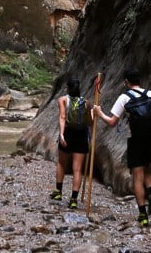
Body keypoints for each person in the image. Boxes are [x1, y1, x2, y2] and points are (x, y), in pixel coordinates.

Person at [93, 66, 151, 227]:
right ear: (140, 80)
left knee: (137, 176)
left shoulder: (124, 98)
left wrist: (99, 112)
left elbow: (112, 122)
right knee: (147, 166)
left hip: (136, 140)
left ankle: (143, 215)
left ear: (126, 82)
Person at [51, 77, 91, 209]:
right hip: (81, 136)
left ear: (67, 88)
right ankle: (74, 199)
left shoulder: (62, 100)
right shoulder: (86, 102)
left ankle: (58, 192)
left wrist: (61, 134)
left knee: (62, 163)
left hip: (68, 133)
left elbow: (62, 116)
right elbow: (90, 122)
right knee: (77, 169)